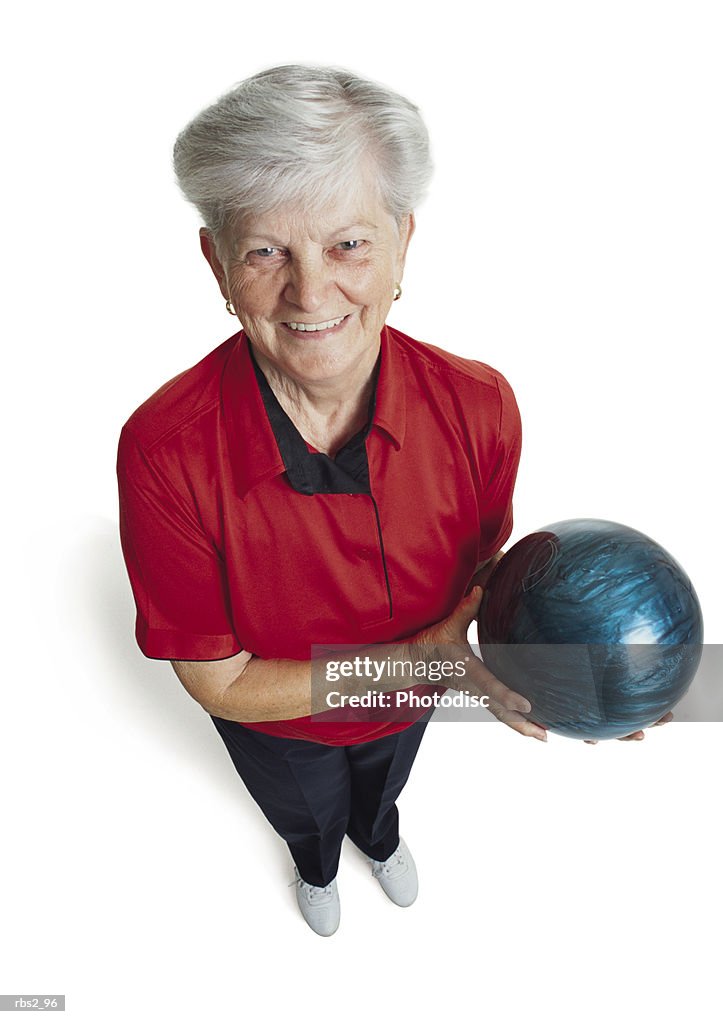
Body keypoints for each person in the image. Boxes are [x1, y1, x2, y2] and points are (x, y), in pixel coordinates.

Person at [117, 65, 648, 938]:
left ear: (403, 242)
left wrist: (586, 666)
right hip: (285, 731)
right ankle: (317, 863)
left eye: (348, 245)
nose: (311, 293)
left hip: (416, 704)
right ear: (215, 261)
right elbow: (222, 684)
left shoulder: (480, 405)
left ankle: (380, 833)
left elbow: (484, 577)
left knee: (385, 788)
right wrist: (418, 666)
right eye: (264, 251)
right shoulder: (163, 453)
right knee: (309, 813)